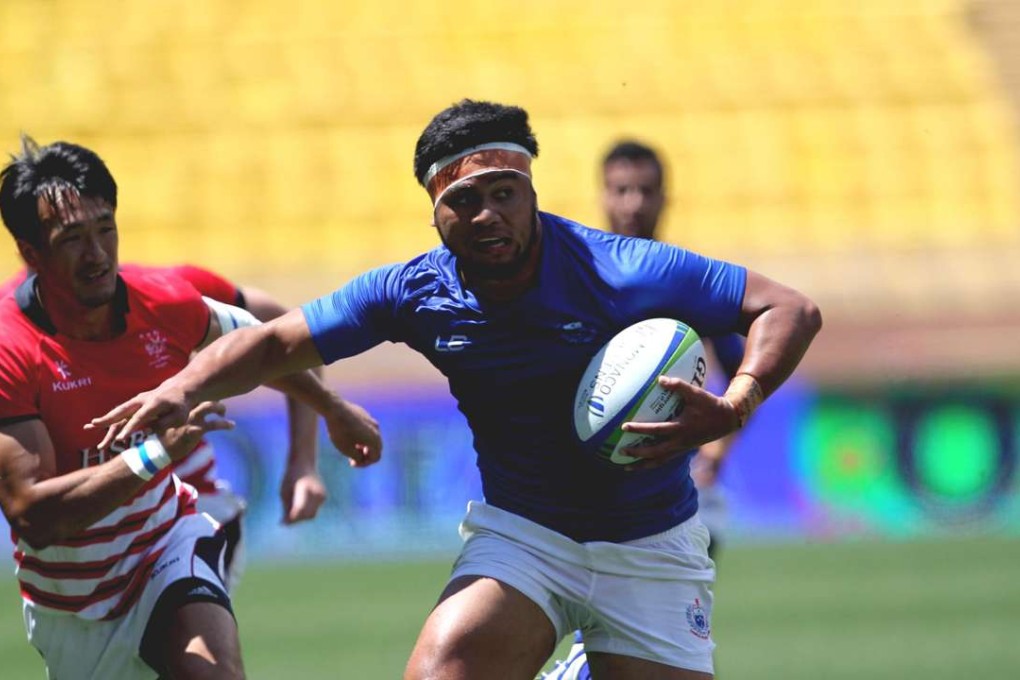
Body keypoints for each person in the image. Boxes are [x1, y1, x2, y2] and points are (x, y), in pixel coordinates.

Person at [91, 100, 822, 680]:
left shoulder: (622, 268)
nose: (487, 215)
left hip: (651, 544)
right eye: (464, 200)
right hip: (526, 536)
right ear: (435, 212)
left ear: (532, 192)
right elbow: (280, 340)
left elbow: (789, 307)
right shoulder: (414, 292)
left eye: (505, 194)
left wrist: (739, 401)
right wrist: (183, 387)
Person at [0, 137, 381, 679]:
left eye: (106, 228)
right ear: (31, 252)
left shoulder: (168, 299)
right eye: (73, 239)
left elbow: (272, 342)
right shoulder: (10, 348)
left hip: (169, 540)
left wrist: (332, 413)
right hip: (69, 602)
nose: (98, 254)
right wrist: (154, 454)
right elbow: (35, 518)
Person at [542, 140, 750, 679]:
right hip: (598, 488)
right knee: (637, 632)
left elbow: (742, 370)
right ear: (603, 195)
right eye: (621, 190)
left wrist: (718, 448)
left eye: (645, 190)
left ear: (665, 197)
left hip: (685, 490)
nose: (633, 203)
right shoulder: (578, 281)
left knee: (668, 627)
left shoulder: (689, 283)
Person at [1, 263, 331, 591]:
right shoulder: (8, 331)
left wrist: (303, 461)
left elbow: (288, 338)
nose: (90, 248)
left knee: (188, 628)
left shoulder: (166, 293)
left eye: (100, 225)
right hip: (82, 553)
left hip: (191, 517)